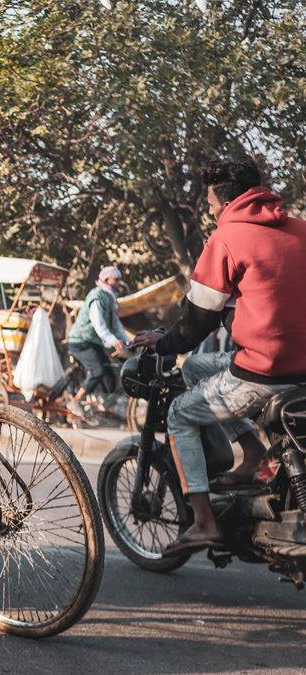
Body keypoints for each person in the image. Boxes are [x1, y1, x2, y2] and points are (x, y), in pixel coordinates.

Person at [133, 158, 306, 554]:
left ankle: (204, 522)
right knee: (196, 367)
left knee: (179, 414)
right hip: (301, 372)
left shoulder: (227, 237)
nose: (210, 212)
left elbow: (196, 321)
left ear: (226, 202)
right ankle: (254, 455)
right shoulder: (300, 229)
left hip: (264, 373)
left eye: (211, 204)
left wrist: (163, 341)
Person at [67, 265, 129, 417]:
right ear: (107, 279)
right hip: (80, 341)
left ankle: (102, 407)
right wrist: (114, 341)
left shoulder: (110, 297)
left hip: (93, 343)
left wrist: (127, 341)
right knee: (98, 370)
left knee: (110, 374)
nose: (119, 283)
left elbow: (116, 325)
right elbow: (99, 324)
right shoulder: (97, 296)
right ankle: (75, 401)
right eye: (116, 279)